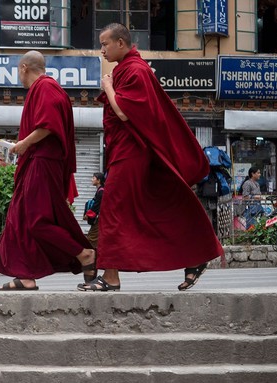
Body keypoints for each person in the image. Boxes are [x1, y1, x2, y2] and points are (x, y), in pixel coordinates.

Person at [79, 23, 224, 292]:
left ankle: (111, 277)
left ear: (121, 43)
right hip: (124, 153)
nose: (101, 50)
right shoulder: (127, 68)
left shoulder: (135, 71)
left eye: (105, 43)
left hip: (131, 155)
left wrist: (108, 86)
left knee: (112, 211)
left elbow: (124, 112)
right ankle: (195, 256)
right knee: (147, 212)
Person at [0, 51, 96, 291]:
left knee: (38, 220)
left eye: (18, 70)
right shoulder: (46, 88)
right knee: (22, 217)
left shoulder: (45, 87)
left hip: (42, 161)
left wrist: (23, 144)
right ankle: (26, 275)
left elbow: (49, 125)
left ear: (24, 67)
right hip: (39, 161)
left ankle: (84, 254)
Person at [83, 172, 105, 249]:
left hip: (99, 219)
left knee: (91, 239)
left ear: (98, 180)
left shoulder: (101, 191)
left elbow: (96, 206)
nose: (91, 179)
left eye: (93, 178)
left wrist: (87, 215)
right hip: (99, 219)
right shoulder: (100, 190)